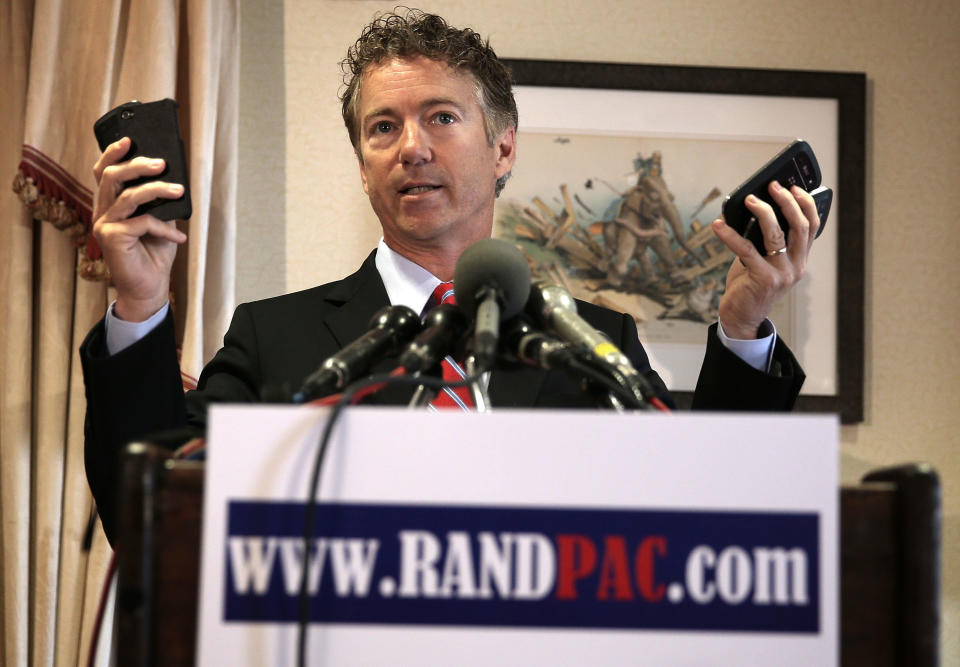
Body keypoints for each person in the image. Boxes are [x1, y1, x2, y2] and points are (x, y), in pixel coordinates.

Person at [81, 10, 817, 543]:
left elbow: (709, 508)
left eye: (440, 117)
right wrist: (142, 305)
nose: (411, 148)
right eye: (382, 128)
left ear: (502, 150)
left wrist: (744, 328)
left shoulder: (597, 339)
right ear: (363, 166)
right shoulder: (276, 338)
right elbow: (149, 518)